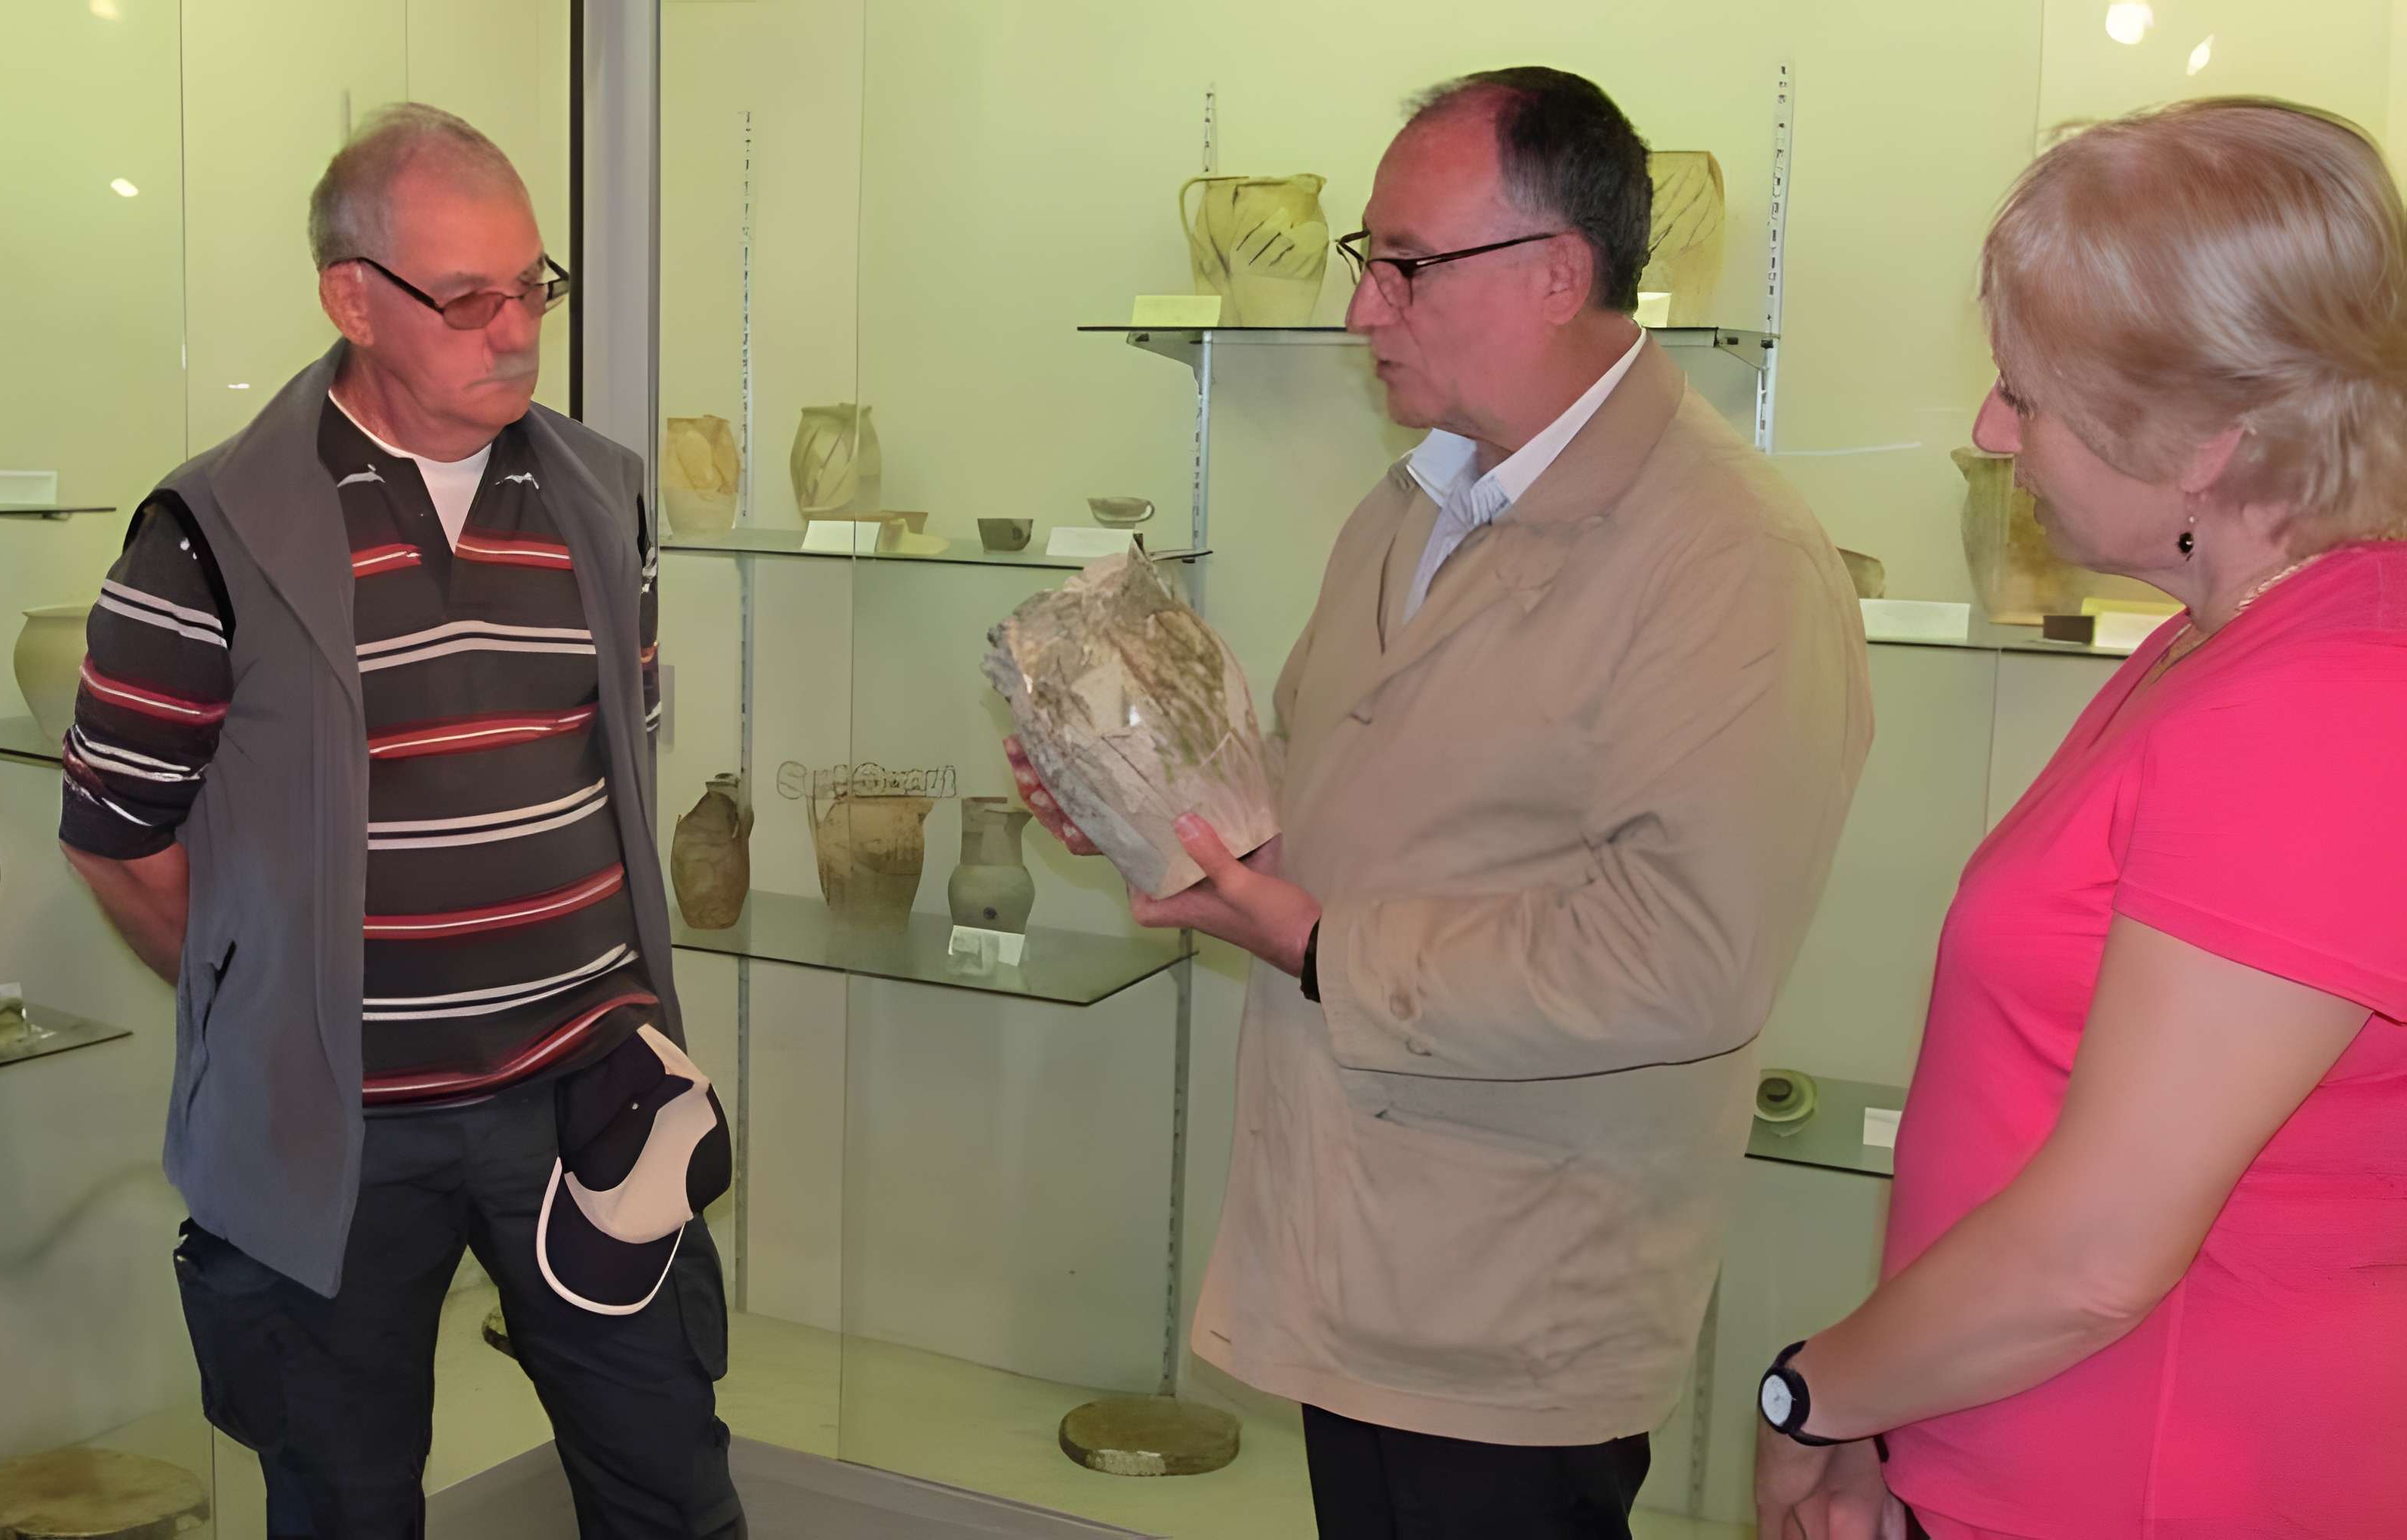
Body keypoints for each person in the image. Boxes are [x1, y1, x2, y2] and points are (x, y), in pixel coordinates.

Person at [1013, 68, 1869, 1538]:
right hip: (1352, 1245)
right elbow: (1334, 824)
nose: (1363, 310)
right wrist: (1163, 813)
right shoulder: (1413, 506)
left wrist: (1327, 946)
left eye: (1404, 266)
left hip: (1517, 1301)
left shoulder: (1729, 558)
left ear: (1556, 274)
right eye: (1368, 262)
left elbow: (1688, 958)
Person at [57, 105, 741, 1539]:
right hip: (338, 1140)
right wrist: (275, 1008)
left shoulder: (605, 496)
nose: (514, 332)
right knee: (345, 1504)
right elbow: (118, 834)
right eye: (468, 297)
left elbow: (612, 759)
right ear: (351, 298)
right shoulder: (206, 533)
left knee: (671, 1487)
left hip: (583, 1104)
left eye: (533, 288)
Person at [1753, 97, 2407, 1540]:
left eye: (2026, 395)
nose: (1992, 432)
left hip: (2162, 1486)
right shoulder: (2220, 649)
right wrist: (1889, 1405)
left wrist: (1816, 1393)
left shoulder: (2323, 701)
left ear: (2205, 443)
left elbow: (2096, 1256)